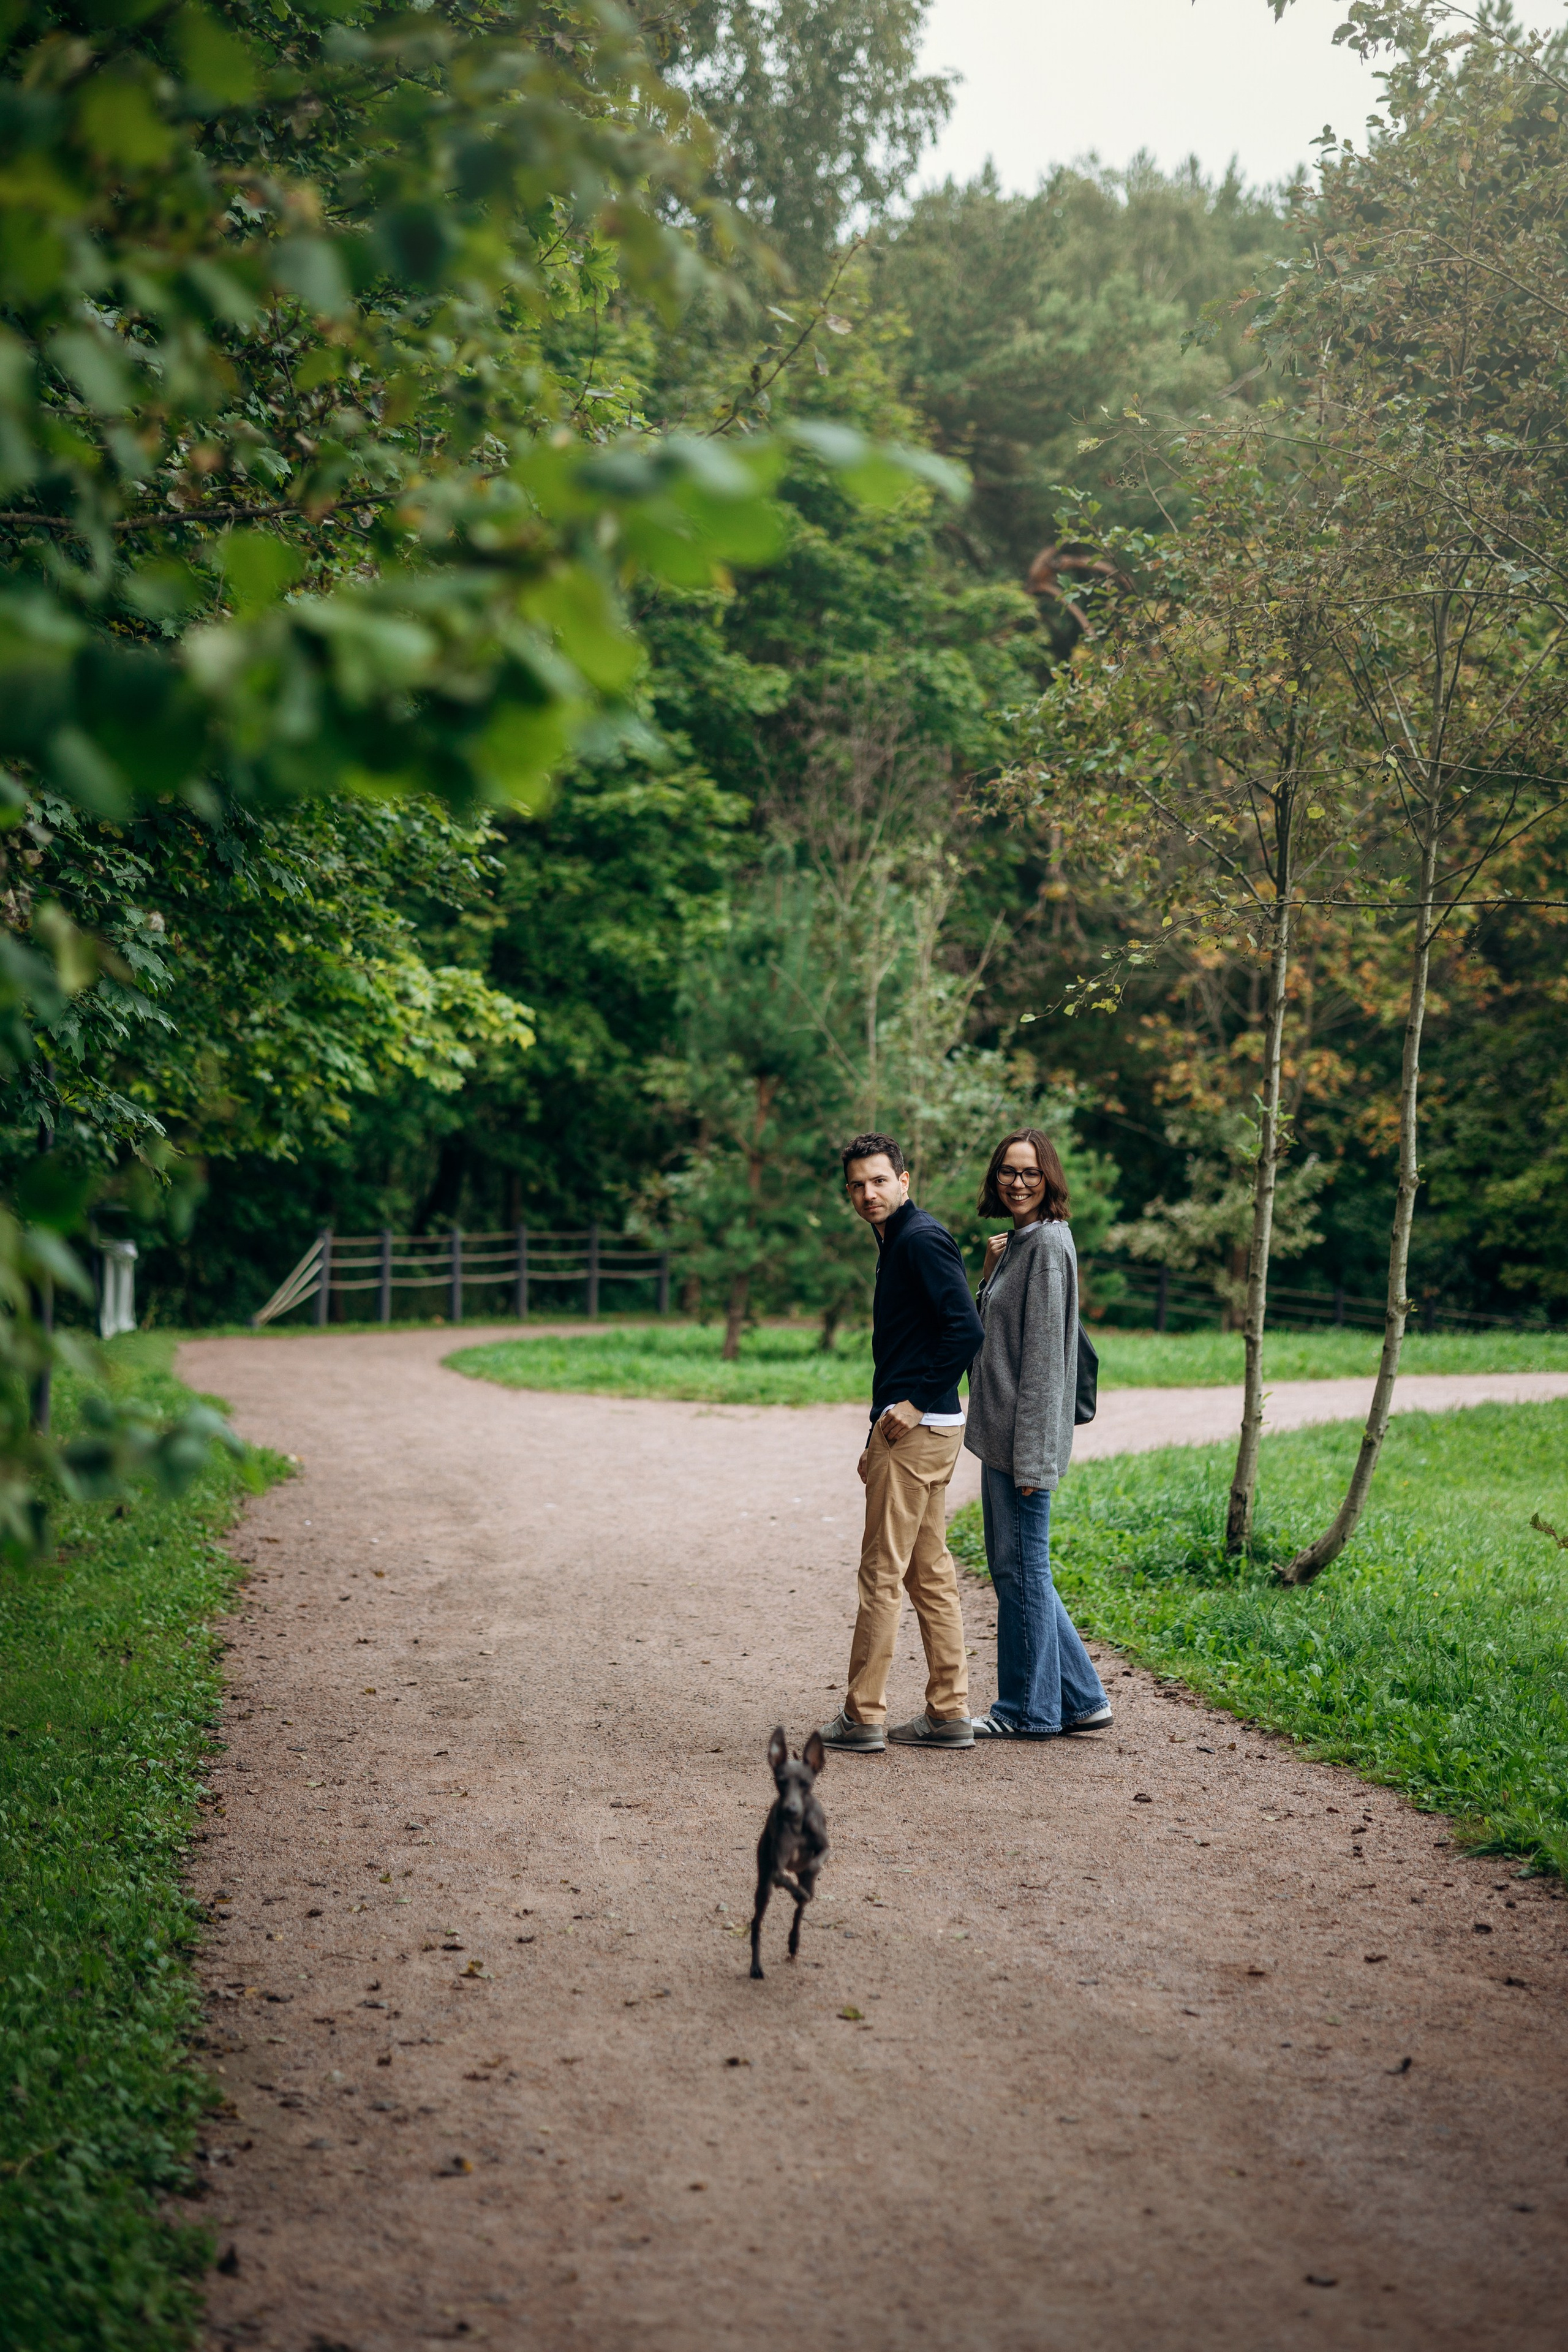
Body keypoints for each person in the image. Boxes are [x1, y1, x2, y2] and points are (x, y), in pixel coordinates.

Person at [818, 1133, 986, 1754]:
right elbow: (906, 1346)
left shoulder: (918, 1239)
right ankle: (948, 1712)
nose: (868, 1194)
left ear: (904, 1180)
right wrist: (877, 1427)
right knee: (929, 1573)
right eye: (857, 1185)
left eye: (879, 1181)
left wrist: (912, 1405)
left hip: (917, 1431)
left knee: (881, 1574)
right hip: (922, 1432)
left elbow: (964, 1328)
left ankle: (863, 1715)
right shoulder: (897, 1242)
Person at [963, 1127, 1112, 1738]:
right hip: (1001, 1435)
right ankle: (1081, 1699)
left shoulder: (1048, 1246)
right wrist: (990, 1270)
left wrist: (1032, 1462)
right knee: (1020, 1568)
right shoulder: (1020, 1245)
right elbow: (987, 1336)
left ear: (1049, 1178)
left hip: (1020, 1446)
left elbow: (1047, 1367)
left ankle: (1027, 1710)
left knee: (1022, 1571)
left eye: (1029, 1172)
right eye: (1007, 1171)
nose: (1017, 1182)